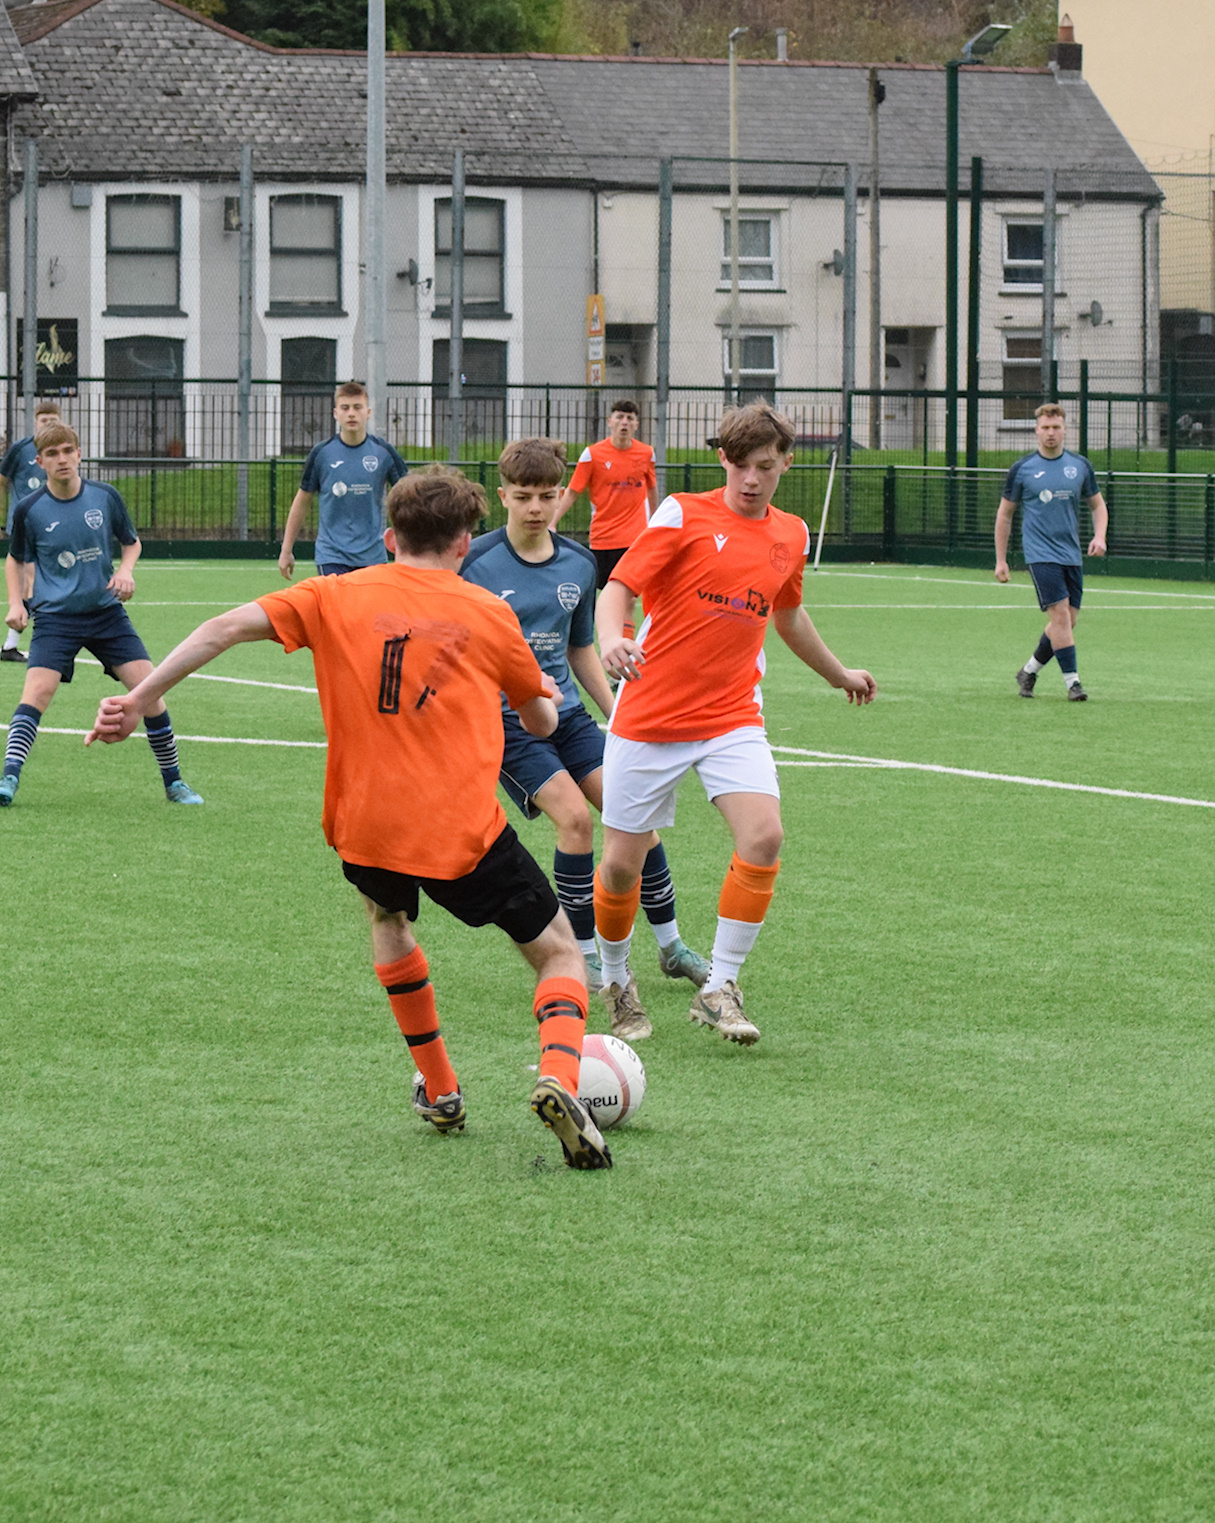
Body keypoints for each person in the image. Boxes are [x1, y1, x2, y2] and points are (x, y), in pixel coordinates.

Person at [92, 466, 614, 1169]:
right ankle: (559, 1077)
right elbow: (541, 722)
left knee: (388, 919)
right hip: (460, 830)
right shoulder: (489, 612)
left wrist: (137, 699)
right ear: (465, 543)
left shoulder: (332, 594)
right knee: (557, 951)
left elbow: (223, 628)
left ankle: (441, 1088)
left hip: (366, 825)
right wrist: (540, 691)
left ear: (389, 537)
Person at [591, 404, 878, 1046]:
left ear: (786, 464)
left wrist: (839, 674)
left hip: (731, 716)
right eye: (741, 465)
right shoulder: (682, 514)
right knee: (620, 868)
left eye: (766, 467)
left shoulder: (792, 534)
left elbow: (788, 615)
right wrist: (612, 638)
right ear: (723, 458)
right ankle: (615, 978)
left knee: (764, 835)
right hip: (650, 714)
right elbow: (618, 587)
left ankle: (719, 987)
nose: (752, 479)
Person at [461, 438, 712, 1042]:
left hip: (570, 716)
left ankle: (671, 946)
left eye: (547, 496)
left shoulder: (578, 563)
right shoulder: (475, 564)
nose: (536, 508)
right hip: (509, 722)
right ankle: (586, 952)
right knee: (575, 821)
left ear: (560, 498)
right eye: (523, 496)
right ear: (503, 496)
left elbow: (580, 650)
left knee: (634, 819)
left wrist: (619, 716)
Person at [0, 422, 201, 808]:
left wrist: (125, 571)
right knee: (37, 693)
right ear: (40, 462)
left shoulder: (104, 497)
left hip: (106, 615)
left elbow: (131, 543)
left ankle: (175, 782)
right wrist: (16, 603)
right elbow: (14, 559)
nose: (62, 459)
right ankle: (9, 777)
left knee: (150, 691)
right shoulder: (29, 509)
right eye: (52, 454)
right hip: (55, 618)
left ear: (80, 454)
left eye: (67, 450)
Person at [993, 403, 1108, 702]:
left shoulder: (1080, 466)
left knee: (1067, 621)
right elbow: (1005, 515)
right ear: (1036, 430)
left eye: (1056, 427)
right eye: (1045, 427)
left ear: (1065, 430)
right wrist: (1001, 560)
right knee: (1059, 617)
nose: (1050, 433)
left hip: (1071, 554)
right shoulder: (1023, 469)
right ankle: (1073, 683)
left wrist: (1099, 536)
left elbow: (1098, 505)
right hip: (1040, 554)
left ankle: (1029, 671)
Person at [279, 381, 407, 579]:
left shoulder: (383, 452)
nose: (351, 414)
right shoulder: (322, 453)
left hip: (372, 556)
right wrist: (286, 549)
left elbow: (408, 498)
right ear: (335, 413)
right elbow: (302, 500)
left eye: (357, 407)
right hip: (332, 556)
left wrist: (411, 546)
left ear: (368, 412)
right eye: (345, 408)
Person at [0, 408, 70, 661]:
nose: (48, 424)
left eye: (53, 420)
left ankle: (11, 645)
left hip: (54, 526)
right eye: (44, 421)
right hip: (25, 526)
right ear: (35, 423)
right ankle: (49, 640)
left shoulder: (62, 453)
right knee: (34, 582)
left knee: (35, 585)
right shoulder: (20, 449)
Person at [568, 399, 659, 589]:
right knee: (601, 590)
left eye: (630, 418)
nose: (624, 422)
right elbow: (573, 491)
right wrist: (552, 522)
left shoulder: (646, 453)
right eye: (620, 417)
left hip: (634, 538)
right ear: (610, 422)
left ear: (636, 424)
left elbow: (652, 488)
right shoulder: (592, 454)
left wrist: (655, 521)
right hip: (603, 537)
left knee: (630, 589)